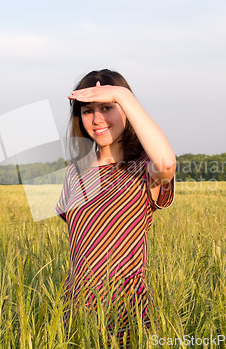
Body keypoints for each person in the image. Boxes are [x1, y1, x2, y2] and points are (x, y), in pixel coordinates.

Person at [55, 69, 176, 346]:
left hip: (127, 310)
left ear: (127, 110)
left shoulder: (145, 168)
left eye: (108, 107)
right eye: (87, 111)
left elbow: (167, 162)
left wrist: (122, 94)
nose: (97, 119)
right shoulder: (74, 174)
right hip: (76, 312)